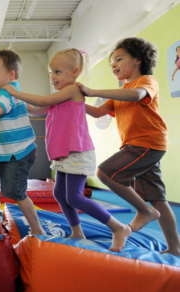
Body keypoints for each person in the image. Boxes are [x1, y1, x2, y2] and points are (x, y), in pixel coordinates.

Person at [3, 48, 131, 252]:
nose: (53, 76)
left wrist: (16, 92)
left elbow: (42, 101)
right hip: (65, 154)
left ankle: (118, 227)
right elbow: (37, 110)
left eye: (57, 72)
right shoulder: (60, 97)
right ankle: (77, 231)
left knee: (74, 197)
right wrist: (15, 102)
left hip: (77, 152)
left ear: (74, 72)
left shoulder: (73, 90)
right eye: (51, 72)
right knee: (60, 194)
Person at [77, 37, 180, 256]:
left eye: (118, 59)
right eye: (111, 62)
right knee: (159, 199)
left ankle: (144, 211)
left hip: (147, 143)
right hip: (141, 145)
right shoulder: (121, 92)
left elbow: (137, 95)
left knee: (104, 173)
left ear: (137, 60)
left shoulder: (145, 81)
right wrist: (73, 101)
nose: (113, 64)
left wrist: (94, 91)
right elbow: (97, 112)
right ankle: (175, 248)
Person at [0, 49, 46, 236]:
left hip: (18, 152)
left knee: (16, 193)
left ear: (11, 75)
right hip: (7, 152)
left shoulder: (7, 91)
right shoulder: (11, 95)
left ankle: (37, 229)